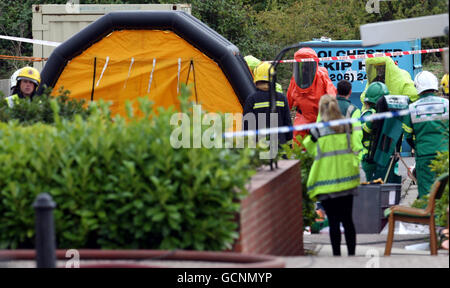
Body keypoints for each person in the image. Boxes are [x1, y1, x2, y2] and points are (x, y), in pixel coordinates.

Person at [303, 94, 359, 256]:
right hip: (347, 180)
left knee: (333, 221)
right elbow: (355, 145)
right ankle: (352, 255)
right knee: (348, 219)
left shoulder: (317, 130)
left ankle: (336, 256)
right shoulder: (347, 126)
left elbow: (309, 148)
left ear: (321, 109)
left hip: (326, 183)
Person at [402, 71, 449, 199]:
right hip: (444, 155)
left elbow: (407, 136)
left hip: (424, 155)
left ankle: (430, 217)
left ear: (417, 87)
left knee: (427, 193)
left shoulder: (411, 108)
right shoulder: (446, 105)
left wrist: (416, 146)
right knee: (445, 191)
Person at [287, 47, 336, 140]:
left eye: (306, 67)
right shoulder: (295, 79)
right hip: (303, 117)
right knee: (298, 144)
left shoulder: (322, 75)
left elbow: (332, 95)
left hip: (319, 117)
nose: (304, 70)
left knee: (320, 145)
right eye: (302, 67)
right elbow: (288, 99)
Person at [243, 61, 293, 147]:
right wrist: (289, 142)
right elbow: (287, 123)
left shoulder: (252, 99)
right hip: (280, 146)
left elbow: (247, 126)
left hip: (260, 148)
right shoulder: (281, 98)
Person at [360, 82, 389, 181]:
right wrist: (371, 122)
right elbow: (364, 130)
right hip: (370, 156)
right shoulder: (369, 113)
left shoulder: (381, 113)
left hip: (376, 155)